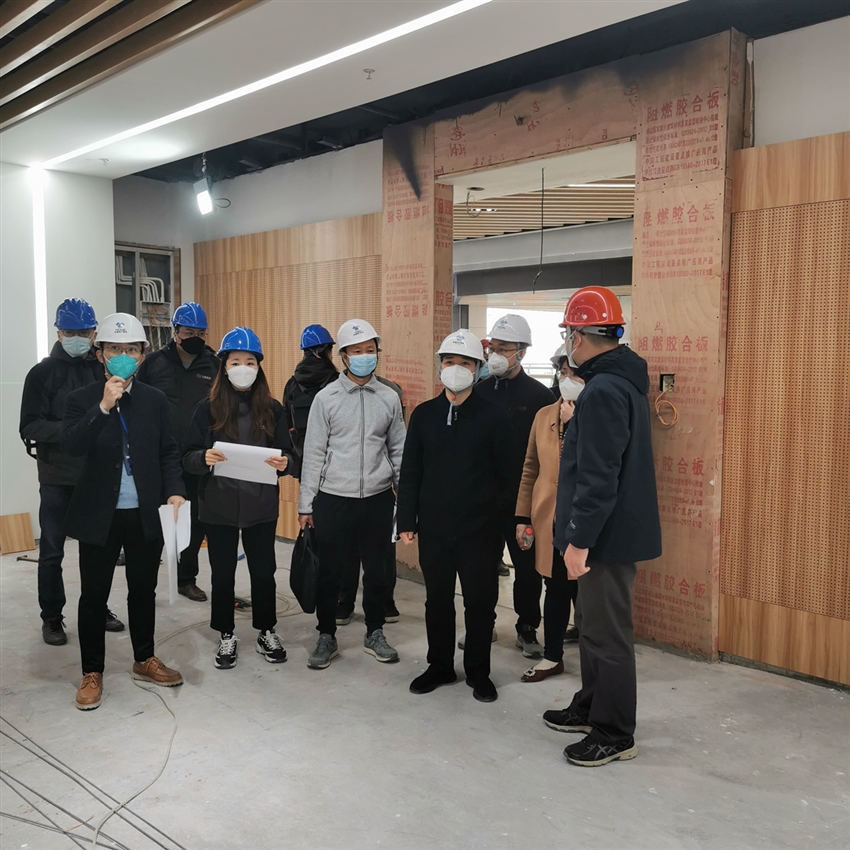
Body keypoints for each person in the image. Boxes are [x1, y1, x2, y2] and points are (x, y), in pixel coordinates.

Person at [542, 286, 661, 767]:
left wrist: (579, 540)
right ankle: (592, 706)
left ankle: (614, 732)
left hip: (604, 540)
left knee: (607, 635)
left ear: (578, 335)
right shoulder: (616, 382)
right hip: (604, 535)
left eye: (569, 334)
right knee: (591, 627)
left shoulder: (606, 390)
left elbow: (598, 477)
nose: (568, 342)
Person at [61, 313, 186, 711]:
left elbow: (168, 451)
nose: (123, 355)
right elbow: (71, 446)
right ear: (100, 353)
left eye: (131, 349)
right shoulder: (80, 399)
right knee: (94, 595)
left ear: (142, 356)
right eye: (115, 348)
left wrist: (175, 492)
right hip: (99, 513)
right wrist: (102, 407)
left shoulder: (154, 400)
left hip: (145, 511)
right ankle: (92, 671)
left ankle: (144, 657)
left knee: (143, 590)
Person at [397, 330, 516, 703]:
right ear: (440, 366)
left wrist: (504, 526)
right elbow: (411, 471)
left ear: (478, 369)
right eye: (450, 362)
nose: (456, 369)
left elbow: (508, 478)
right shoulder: (424, 415)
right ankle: (440, 666)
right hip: (434, 528)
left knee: (480, 604)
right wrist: (406, 521)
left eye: (465, 363)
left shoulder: (494, 418)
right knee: (437, 601)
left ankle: (479, 672)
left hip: (481, 531)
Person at [183, 327, 296, 669]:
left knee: (263, 573)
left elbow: (290, 454)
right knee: (222, 575)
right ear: (224, 366)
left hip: (261, 505)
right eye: (235, 362)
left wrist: (286, 463)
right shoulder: (206, 409)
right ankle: (226, 633)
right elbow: (186, 455)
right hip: (218, 506)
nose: (243, 368)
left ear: (259, 367)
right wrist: (202, 458)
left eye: (250, 362)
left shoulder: (272, 409)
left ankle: (266, 630)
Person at [297, 319, 405, 670]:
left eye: (369, 350)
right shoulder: (325, 399)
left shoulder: (389, 397)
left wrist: (404, 500)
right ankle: (326, 635)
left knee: (377, 570)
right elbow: (314, 453)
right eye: (356, 351)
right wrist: (305, 504)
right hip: (333, 497)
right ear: (343, 356)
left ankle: (375, 631)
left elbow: (399, 450)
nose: (364, 356)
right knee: (330, 570)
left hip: (377, 497)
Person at [19, 298, 124, 646]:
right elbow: (29, 425)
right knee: (52, 550)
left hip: (95, 474)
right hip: (57, 476)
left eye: (84, 332)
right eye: (70, 332)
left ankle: (97, 607)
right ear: (58, 332)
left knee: (98, 550)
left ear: (94, 334)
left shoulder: (102, 371)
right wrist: (71, 431)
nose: (77, 338)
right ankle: (52, 616)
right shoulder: (42, 373)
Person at [475, 313, 554, 659]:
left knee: (526, 569)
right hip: (483, 499)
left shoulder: (540, 396)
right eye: (493, 347)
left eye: (504, 348)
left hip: (523, 502)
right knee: (482, 566)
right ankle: (483, 624)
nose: (495, 354)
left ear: (521, 352)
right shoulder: (478, 392)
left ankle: (527, 628)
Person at [137, 302, 219, 602]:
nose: (195, 337)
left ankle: (187, 579)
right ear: (175, 332)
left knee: (195, 522)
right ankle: (146, 583)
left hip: (197, 456)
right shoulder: (153, 363)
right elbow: (138, 402)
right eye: (188, 332)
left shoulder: (214, 365)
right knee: (155, 522)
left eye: (201, 333)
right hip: (160, 456)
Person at [514, 349, 584, 683]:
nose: (568, 379)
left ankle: (594, 654)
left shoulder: (599, 416)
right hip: (550, 517)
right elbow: (531, 468)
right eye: (564, 372)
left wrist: (577, 423)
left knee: (586, 591)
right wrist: (523, 516)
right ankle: (552, 656)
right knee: (555, 587)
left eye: (576, 374)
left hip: (585, 519)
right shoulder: (544, 415)